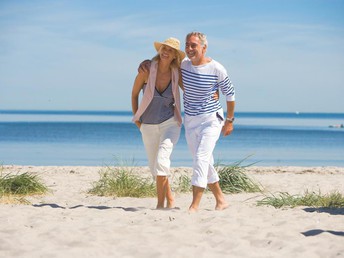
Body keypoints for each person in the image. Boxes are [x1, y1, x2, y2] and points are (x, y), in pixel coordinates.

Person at [139, 32, 235, 212]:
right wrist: (145, 62)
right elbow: (163, 63)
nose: (190, 49)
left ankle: (194, 205)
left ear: (204, 48)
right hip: (191, 121)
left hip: (211, 119)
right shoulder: (183, 66)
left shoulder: (217, 68)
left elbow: (230, 93)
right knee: (204, 161)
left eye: (194, 45)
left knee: (200, 158)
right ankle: (220, 199)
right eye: (187, 45)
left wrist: (229, 120)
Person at [131, 37, 185, 209]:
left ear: (175, 56)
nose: (165, 52)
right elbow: (134, 94)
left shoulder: (177, 74)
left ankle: (160, 204)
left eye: (170, 50)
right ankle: (170, 198)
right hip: (148, 125)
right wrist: (137, 119)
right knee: (155, 168)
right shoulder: (146, 70)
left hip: (170, 123)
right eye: (164, 48)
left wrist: (213, 92)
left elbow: (193, 89)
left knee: (162, 161)